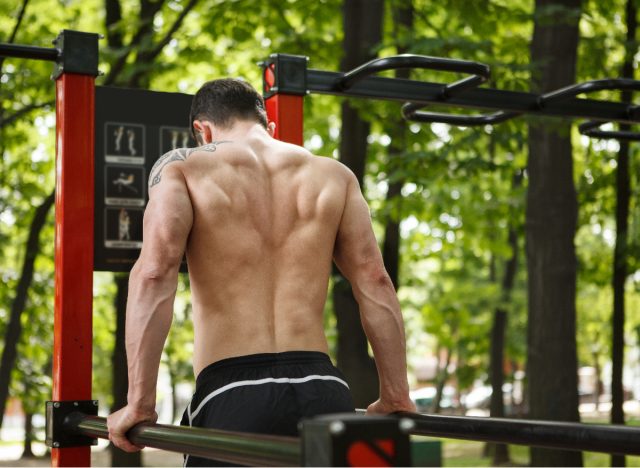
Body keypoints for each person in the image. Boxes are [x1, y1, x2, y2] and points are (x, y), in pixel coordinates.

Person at [107, 78, 415, 465]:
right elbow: (376, 281)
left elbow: (154, 275)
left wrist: (139, 403)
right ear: (269, 127)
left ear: (202, 130)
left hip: (233, 392)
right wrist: (396, 395)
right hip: (323, 388)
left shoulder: (183, 168)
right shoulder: (334, 175)